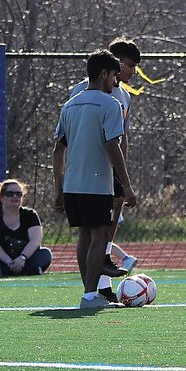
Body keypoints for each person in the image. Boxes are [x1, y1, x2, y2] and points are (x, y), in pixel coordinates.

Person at [53, 50, 138, 309]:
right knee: (100, 235)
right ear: (104, 74)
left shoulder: (71, 104)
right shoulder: (110, 104)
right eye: (114, 75)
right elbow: (113, 145)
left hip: (73, 184)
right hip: (97, 183)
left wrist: (58, 187)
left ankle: (90, 293)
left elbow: (58, 149)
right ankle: (90, 296)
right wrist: (126, 185)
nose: (116, 82)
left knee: (84, 238)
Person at [0, 179, 52, 277]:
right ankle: (9, 272)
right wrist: (9, 262)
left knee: (45, 254)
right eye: (10, 193)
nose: (15, 196)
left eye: (18, 194)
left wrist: (22, 258)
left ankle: (26, 270)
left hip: (25, 260)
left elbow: (35, 241)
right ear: (2, 198)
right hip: (1, 260)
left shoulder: (30, 215)